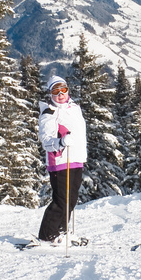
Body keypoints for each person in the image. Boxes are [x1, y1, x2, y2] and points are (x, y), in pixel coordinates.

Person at [37, 76, 88, 243]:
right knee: (61, 200)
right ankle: (47, 236)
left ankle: (60, 232)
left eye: (63, 90)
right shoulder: (49, 114)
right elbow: (46, 141)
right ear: (50, 94)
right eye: (55, 91)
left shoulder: (74, 108)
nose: (60, 94)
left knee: (71, 200)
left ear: (68, 90)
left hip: (76, 159)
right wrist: (60, 142)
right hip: (59, 161)